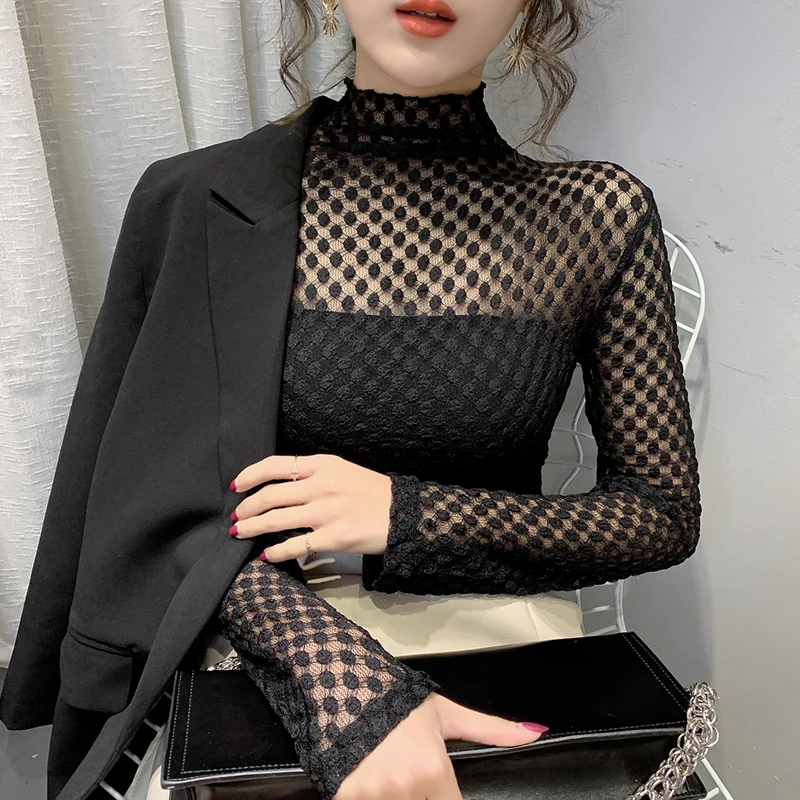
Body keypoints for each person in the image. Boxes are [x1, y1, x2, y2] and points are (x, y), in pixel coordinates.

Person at [0, 1, 701, 799]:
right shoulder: (194, 199)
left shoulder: (596, 215)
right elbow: (144, 502)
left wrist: (407, 516)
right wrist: (334, 670)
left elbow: (662, 512)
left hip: (506, 642)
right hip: (250, 626)